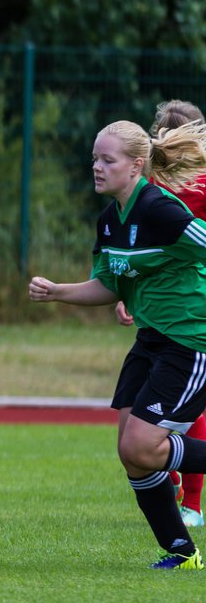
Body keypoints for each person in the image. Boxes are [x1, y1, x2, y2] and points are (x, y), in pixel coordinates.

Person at [29, 118, 206, 569]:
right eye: (94, 158)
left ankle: (183, 548)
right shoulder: (110, 221)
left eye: (107, 159)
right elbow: (107, 284)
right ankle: (182, 554)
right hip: (151, 339)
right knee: (133, 455)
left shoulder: (162, 211)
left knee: (142, 447)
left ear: (136, 166)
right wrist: (57, 293)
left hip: (189, 340)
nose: (97, 167)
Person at [114, 100, 206, 527]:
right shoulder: (150, 193)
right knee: (142, 429)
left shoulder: (163, 194)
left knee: (166, 423)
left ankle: (189, 503)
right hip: (160, 319)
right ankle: (182, 515)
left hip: (189, 319)